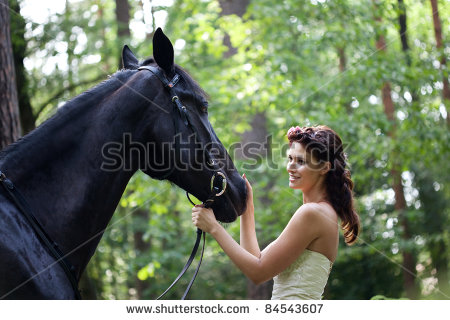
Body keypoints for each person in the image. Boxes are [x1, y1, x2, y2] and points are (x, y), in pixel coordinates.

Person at [192, 125, 360, 299]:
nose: (290, 167)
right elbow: (255, 260)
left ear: (325, 167)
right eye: (290, 158)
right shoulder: (322, 211)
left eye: (301, 161)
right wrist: (247, 210)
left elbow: (259, 273)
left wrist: (214, 228)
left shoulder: (313, 212)